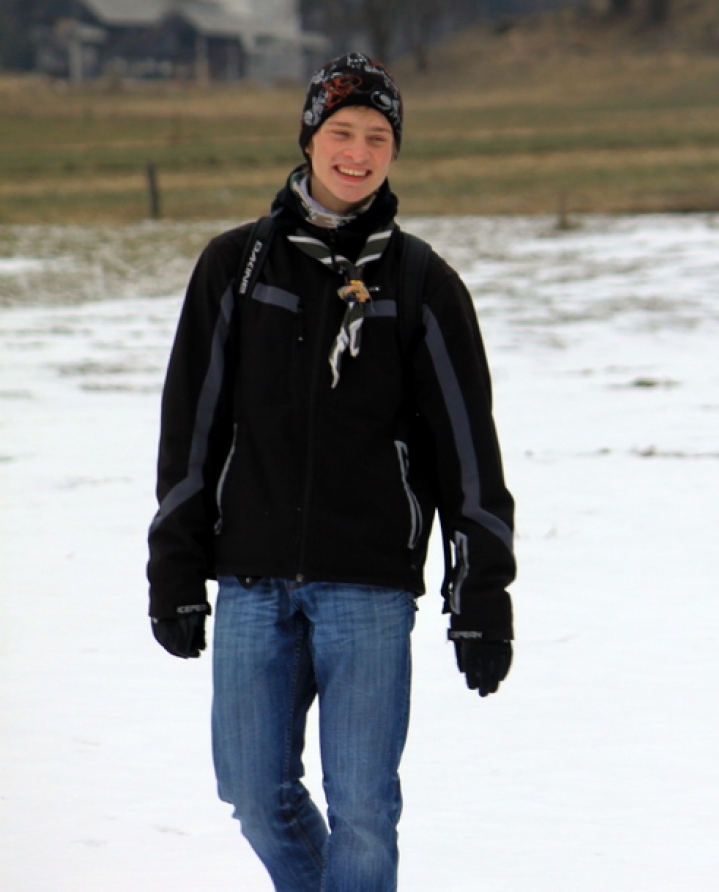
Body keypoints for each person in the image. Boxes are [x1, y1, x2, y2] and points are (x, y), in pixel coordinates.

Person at [147, 52, 517, 892]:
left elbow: (469, 452)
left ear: (395, 150)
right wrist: (175, 563)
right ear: (310, 137)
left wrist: (481, 591)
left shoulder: (423, 282)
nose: (358, 152)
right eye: (341, 132)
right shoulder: (234, 268)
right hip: (250, 576)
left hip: (369, 590)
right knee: (250, 789)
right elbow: (190, 430)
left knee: (362, 807)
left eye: (377, 136)